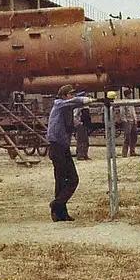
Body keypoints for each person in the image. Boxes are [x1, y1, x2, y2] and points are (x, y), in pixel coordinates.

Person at [47, 84, 95, 222]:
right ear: (63, 96)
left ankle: (60, 212)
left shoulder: (67, 107)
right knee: (69, 179)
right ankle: (57, 205)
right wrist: (85, 100)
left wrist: (89, 98)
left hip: (63, 147)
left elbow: (76, 99)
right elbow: (75, 101)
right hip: (57, 147)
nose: (73, 96)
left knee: (64, 180)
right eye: (70, 94)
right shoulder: (59, 104)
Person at [120, 87, 138, 157]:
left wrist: (135, 119)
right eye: (130, 94)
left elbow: (133, 111)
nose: (131, 95)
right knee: (127, 137)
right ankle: (124, 153)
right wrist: (125, 120)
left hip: (133, 121)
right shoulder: (123, 102)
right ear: (127, 95)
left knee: (134, 136)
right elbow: (122, 112)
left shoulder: (131, 102)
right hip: (127, 121)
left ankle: (132, 151)